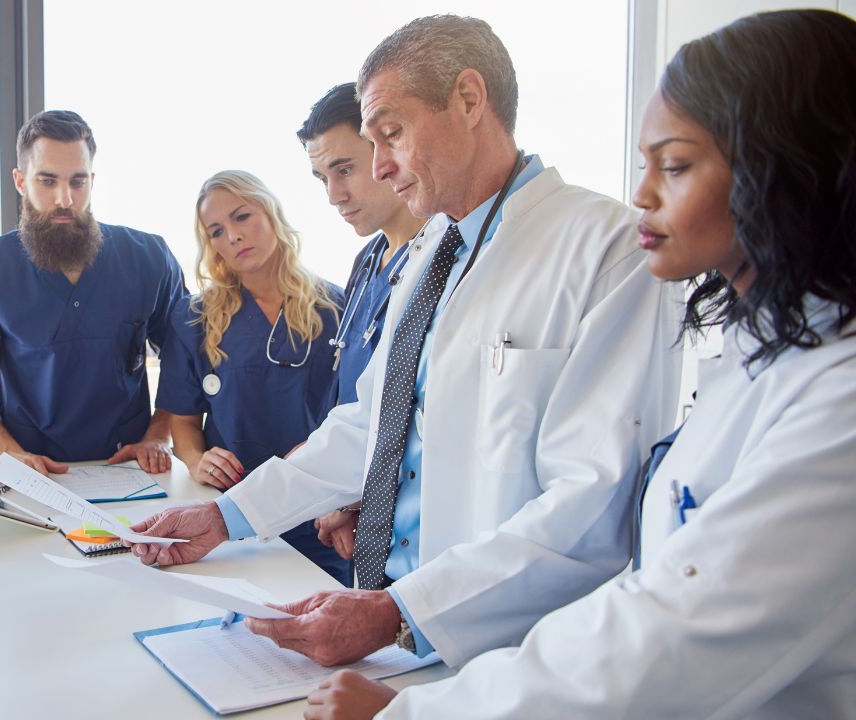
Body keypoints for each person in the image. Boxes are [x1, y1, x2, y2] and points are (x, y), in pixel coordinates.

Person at [306, 9, 856, 718]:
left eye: (676, 165)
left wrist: (412, 712)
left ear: (786, 172)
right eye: (644, 165)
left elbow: (672, 632)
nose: (644, 196)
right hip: (470, 657)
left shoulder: (835, 400)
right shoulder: (757, 357)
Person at [125, 14, 682, 672]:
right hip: (386, 626)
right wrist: (226, 517)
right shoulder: (426, 260)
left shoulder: (606, 250)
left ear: (469, 100)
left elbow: (592, 503)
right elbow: (368, 426)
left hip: (498, 650)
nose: (381, 167)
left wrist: (404, 611)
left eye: (391, 134)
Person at [0, 110, 186, 475]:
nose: (65, 198)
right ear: (20, 181)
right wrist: (7, 454)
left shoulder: (149, 257)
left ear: (92, 181)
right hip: (27, 471)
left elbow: (184, 358)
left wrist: (159, 434)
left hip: (128, 468)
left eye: (78, 182)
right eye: (47, 181)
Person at [156, 170, 350, 585]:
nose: (234, 237)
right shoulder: (195, 318)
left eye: (242, 217)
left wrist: (349, 504)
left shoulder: (337, 307)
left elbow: (356, 417)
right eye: (217, 231)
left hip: (316, 513)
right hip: (227, 513)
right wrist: (196, 461)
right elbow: (184, 423)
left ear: (271, 212)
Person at [298, 82, 426, 406]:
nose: (333, 196)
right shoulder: (367, 262)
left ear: (389, 151)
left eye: (344, 169)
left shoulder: (443, 260)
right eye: (323, 179)